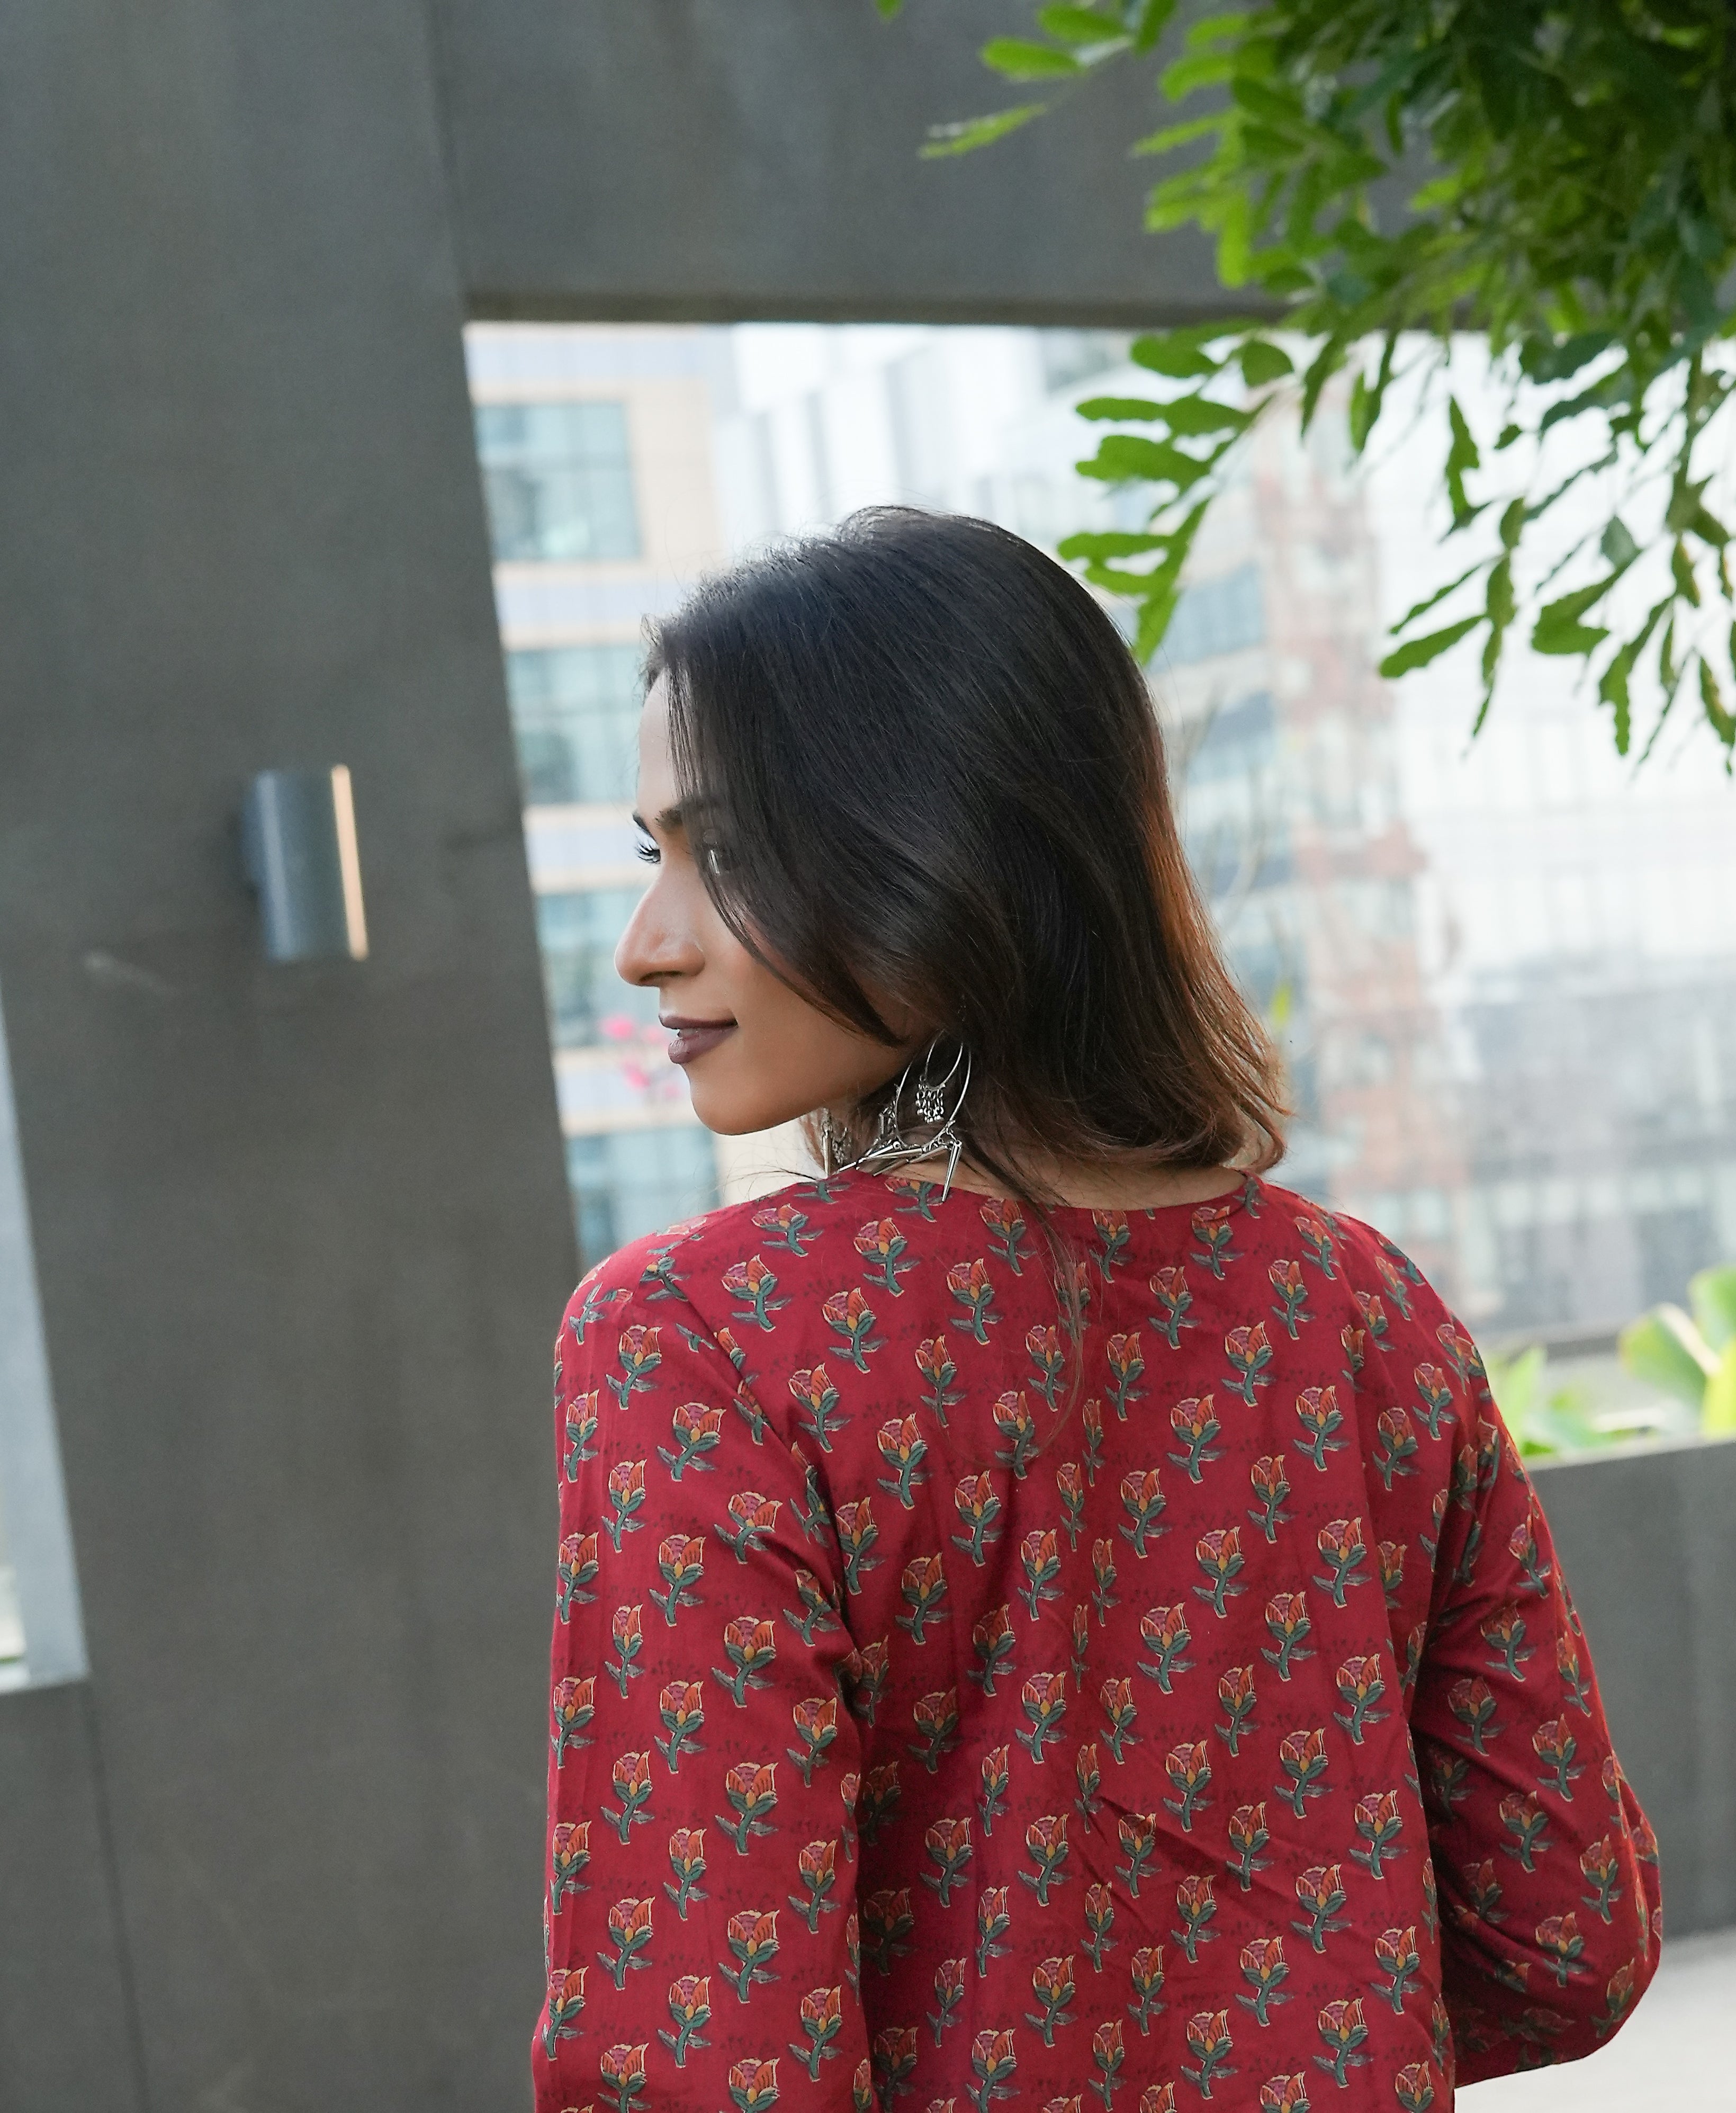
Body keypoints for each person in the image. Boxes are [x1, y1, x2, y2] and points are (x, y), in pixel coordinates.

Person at [534, 508, 1659, 2112]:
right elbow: (1564, 1938)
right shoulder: (1366, 1314)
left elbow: (709, 2063)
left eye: (723, 853)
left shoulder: (704, 1340)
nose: (646, 946)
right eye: (654, 856)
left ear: (937, 847)